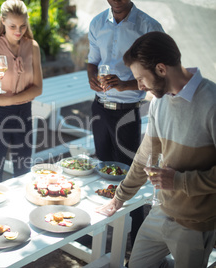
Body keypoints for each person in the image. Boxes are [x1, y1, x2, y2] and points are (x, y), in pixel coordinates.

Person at [97, 31, 216, 267]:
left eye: (141, 78)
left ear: (161, 69)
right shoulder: (159, 102)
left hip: (194, 223)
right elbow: (144, 157)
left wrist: (180, 182)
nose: (139, 86)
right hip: (161, 211)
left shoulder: (211, 102)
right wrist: (119, 198)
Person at [86, 0, 164, 247]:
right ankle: (98, 233)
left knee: (130, 176)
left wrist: (125, 84)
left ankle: (136, 239)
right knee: (102, 173)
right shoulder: (97, 22)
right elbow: (92, 60)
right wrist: (91, 76)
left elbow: (159, 76)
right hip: (99, 108)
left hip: (127, 114)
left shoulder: (149, 27)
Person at [0, 0, 43, 183]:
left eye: (23, 26)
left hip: (24, 113)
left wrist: (9, 100)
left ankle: (21, 212)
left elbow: (38, 88)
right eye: (13, 26)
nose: (18, 31)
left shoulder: (32, 47)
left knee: (23, 171)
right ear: (2, 22)